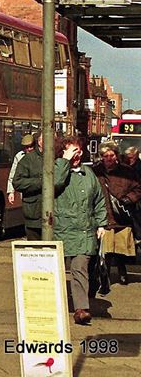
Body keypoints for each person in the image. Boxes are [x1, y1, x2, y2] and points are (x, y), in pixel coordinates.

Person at [52, 137, 107, 325]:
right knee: (56, 270)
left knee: (79, 269)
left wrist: (101, 224)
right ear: (62, 153)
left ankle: (81, 309)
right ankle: (52, 303)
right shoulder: (57, 170)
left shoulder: (88, 173)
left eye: (79, 150)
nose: (78, 154)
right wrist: (64, 161)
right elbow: (55, 185)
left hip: (84, 231)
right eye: (72, 151)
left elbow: (99, 200)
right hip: (62, 230)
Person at [93, 143, 140, 287]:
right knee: (105, 250)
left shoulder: (127, 171)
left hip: (121, 216)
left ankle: (122, 271)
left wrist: (129, 199)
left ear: (116, 155)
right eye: (105, 156)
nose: (109, 158)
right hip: (104, 215)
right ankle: (104, 278)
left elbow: (138, 188)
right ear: (101, 157)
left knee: (119, 249)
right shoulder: (95, 172)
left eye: (111, 155)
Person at [12, 132, 51, 240]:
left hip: (57, 218)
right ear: (39, 142)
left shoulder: (60, 159)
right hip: (34, 215)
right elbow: (17, 182)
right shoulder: (27, 160)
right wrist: (41, 182)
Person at [7, 133, 37, 204]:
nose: (29, 149)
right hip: (25, 192)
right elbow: (13, 175)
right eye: (26, 147)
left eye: (31, 146)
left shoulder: (39, 156)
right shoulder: (19, 156)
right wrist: (11, 192)